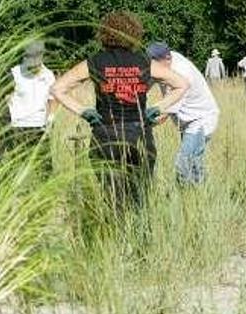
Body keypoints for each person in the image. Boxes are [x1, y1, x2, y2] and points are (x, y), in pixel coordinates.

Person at [51, 11, 189, 207]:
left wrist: (83, 111)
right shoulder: (144, 62)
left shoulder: (94, 62)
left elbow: (57, 88)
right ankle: (139, 232)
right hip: (139, 133)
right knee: (139, 193)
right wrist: (157, 108)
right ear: (134, 33)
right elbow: (182, 84)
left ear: (104, 34)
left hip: (106, 133)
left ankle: (114, 231)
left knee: (111, 193)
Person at [147, 42, 220, 185]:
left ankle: (189, 197)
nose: (152, 67)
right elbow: (148, 82)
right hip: (187, 120)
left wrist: (140, 121)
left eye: (154, 63)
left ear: (167, 58)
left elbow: (163, 114)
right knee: (194, 162)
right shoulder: (167, 61)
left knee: (184, 162)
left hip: (200, 120)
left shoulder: (181, 73)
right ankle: (200, 194)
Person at [7, 40, 57, 147]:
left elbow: (52, 99)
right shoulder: (15, 73)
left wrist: (51, 120)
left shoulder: (49, 75)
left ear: (42, 55)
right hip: (18, 127)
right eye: (29, 55)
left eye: (36, 55)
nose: (33, 59)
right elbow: (6, 97)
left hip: (40, 127)